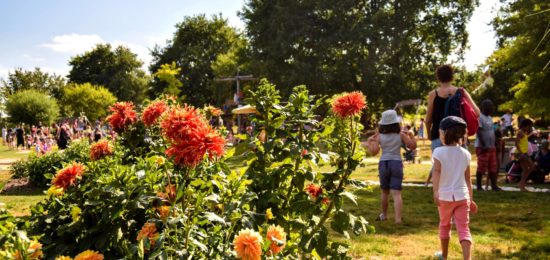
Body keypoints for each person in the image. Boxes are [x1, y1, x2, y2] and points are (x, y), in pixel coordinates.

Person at [425, 64, 480, 185]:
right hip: (458, 136)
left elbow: (428, 119)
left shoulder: (433, 94)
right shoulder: (461, 92)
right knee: (460, 170)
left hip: (438, 136)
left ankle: (441, 198)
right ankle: (462, 197)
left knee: (439, 171)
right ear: (452, 77)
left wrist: (429, 134)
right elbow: (477, 112)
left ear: (438, 78)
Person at [432, 116, 477, 260]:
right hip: (463, 197)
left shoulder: (438, 152)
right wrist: (471, 199)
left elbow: (437, 172)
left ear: (444, 133)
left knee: (445, 225)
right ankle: (467, 258)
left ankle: (444, 256)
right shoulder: (466, 154)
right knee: (464, 228)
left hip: (444, 197)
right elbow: (468, 179)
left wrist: (435, 191)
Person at [366, 110, 416, 224]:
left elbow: (374, 152)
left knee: (384, 192)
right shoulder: (401, 135)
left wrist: (369, 142)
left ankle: (384, 215)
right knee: (396, 193)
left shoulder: (379, 136)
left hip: (384, 163)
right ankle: (398, 219)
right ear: (396, 123)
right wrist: (412, 135)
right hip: (396, 163)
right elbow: (412, 146)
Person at [475, 100, 501, 191]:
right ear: (484, 107)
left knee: (493, 166)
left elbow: (491, 132)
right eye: (489, 106)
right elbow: (478, 131)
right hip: (483, 147)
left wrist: (496, 143)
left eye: (492, 106)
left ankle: (494, 186)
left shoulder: (490, 118)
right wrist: (483, 144)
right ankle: (479, 186)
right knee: (482, 166)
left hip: (491, 147)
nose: (491, 108)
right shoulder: (480, 117)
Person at [516, 119, 535, 191]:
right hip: (521, 153)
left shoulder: (524, 132)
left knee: (525, 169)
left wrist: (531, 133)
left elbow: (524, 140)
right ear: (525, 126)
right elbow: (516, 144)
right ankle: (521, 183)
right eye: (529, 127)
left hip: (524, 152)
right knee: (532, 166)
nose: (530, 128)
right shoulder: (520, 133)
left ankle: (521, 184)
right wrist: (521, 153)